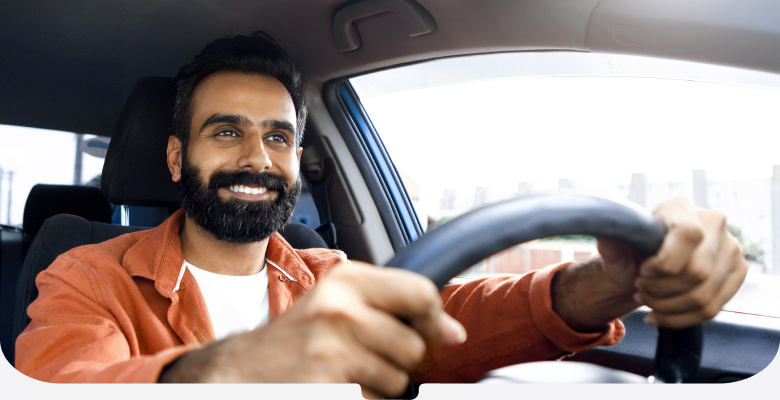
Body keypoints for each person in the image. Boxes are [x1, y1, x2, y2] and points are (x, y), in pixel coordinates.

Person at [15, 32, 747, 398]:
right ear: (177, 159)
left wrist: (607, 284)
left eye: (279, 137)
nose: (257, 158)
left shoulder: (323, 270)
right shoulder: (84, 269)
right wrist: (245, 367)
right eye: (226, 131)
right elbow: (68, 382)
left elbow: (453, 320)